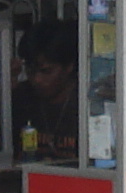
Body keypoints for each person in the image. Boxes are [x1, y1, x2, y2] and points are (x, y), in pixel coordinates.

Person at [13, 19, 81, 163]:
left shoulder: (85, 104)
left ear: (69, 66)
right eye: (30, 71)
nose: (36, 79)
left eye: (46, 71)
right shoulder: (22, 98)